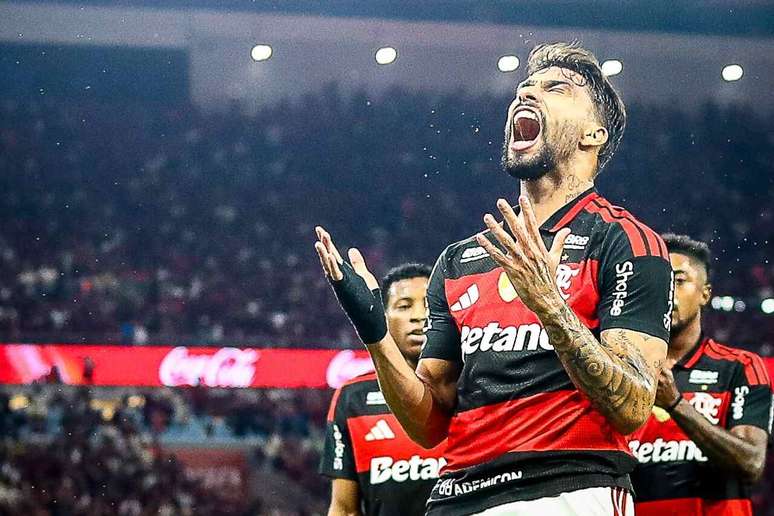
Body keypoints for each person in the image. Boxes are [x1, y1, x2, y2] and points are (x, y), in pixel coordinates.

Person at [314, 41, 673, 515]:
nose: (527, 93)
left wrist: (550, 305)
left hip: (568, 489)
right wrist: (375, 334)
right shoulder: (460, 260)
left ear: (593, 134)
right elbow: (429, 426)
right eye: (525, 87)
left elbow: (632, 407)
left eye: (556, 88)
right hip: (458, 496)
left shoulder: (626, 240)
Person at [630, 234, 772, 516]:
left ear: (705, 294)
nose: (666, 291)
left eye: (679, 280)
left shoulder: (741, 368)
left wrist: (674, 404)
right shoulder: (623, 369)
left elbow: (751, 463)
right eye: (659, 281)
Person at [320, 263, 446, 516]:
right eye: (404, 306)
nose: (419, 316)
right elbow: (344, 508)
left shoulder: (470, 385)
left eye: (429, 305)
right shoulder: (353, 397)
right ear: (383, 317)